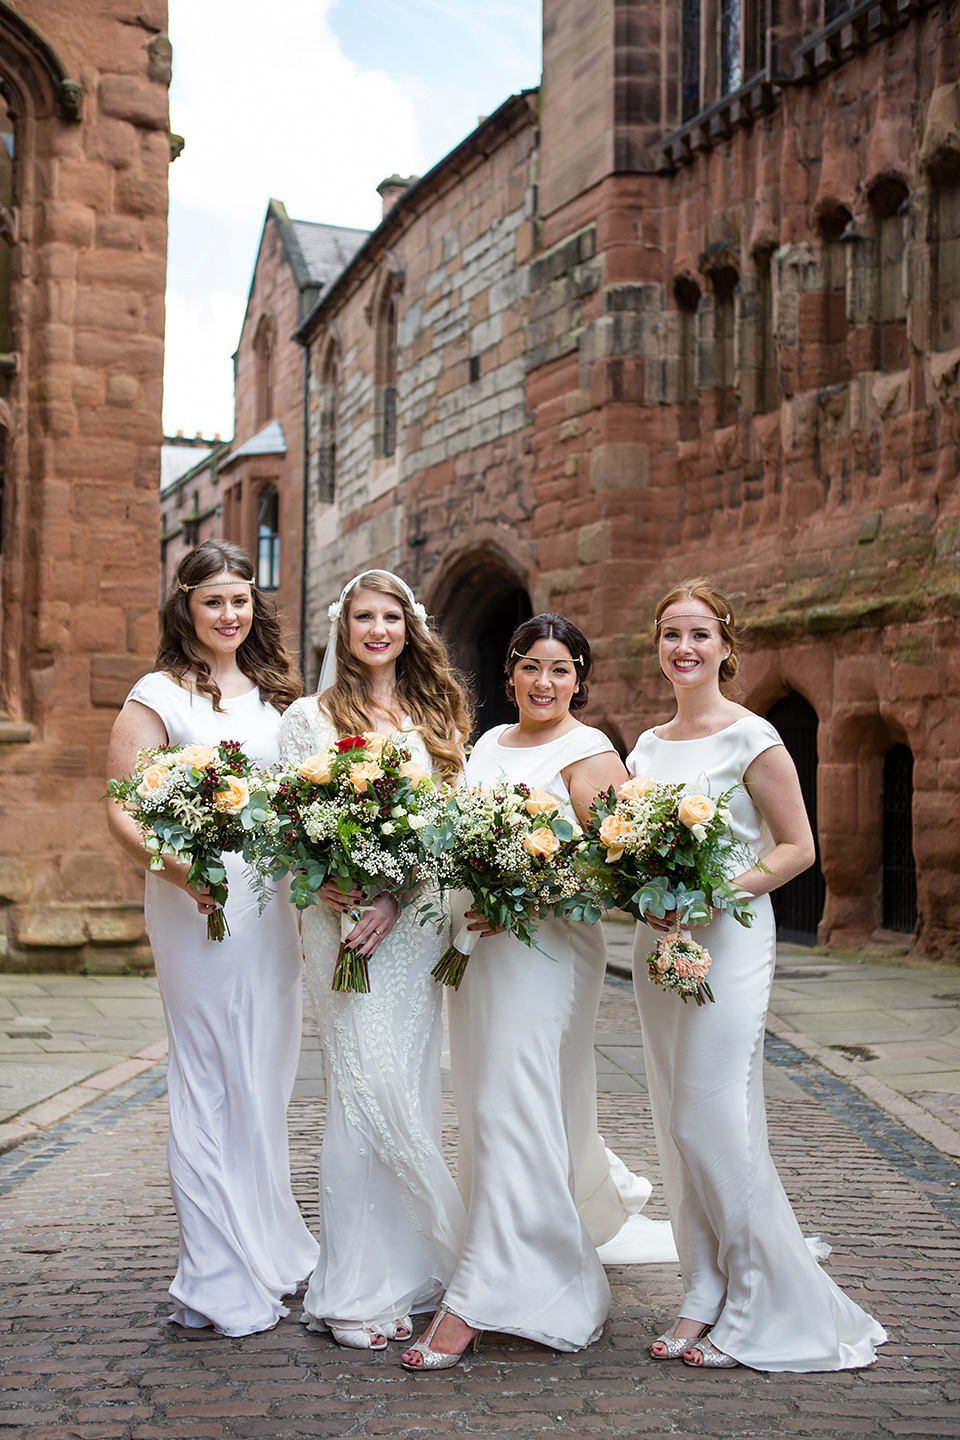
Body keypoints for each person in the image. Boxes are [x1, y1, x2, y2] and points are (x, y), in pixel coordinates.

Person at [627, 577, 887, 1371]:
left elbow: (797, 848)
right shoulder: (644, 746)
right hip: (659, 945)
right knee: (677, 1121)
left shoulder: (755, 737)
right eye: (672, 633)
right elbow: (631, 848)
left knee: (713, 1115)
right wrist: (646, 892)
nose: (685, 647)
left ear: (727, 646)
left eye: (700, 634)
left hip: (731, 940)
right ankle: (701, 1288)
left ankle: (759, 1299)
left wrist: (712, 891)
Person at [402, 613, 672, 1371]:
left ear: (580, 680)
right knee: (492, 1107)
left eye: (561, 669)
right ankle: (517, 1248)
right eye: (531, 667)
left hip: (547, 953)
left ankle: (486, 1295)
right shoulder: (488, 746)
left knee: (509, 1104)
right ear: (511, 674)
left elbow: (621, 871)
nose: (544, 682)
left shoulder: (591, 755)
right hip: (481, 953)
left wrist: (524, 891)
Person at [105, 540, 319, 1337]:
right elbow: (123, 805)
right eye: (213, 601)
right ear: (185, 607)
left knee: (263, 1070)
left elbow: (302, 796)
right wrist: (176, 869)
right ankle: (215, 1272)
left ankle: (264, 1240)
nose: (230, 614)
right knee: (207, 1073)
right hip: (194, 901)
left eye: (241, 600)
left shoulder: (275, 694)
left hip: (271, 900)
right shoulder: (156, 695)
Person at [279, 570, 472, 1350]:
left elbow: (449, 825)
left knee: (410, 1082)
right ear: (343, 627)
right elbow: (291, 822)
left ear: (410, 626)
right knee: (361, 1095)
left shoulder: (434, 715)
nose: (378, 629)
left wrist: (400, 894)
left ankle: (406, 1266)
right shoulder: (308, 717)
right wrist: (324, 879)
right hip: (344, 921)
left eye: (391, 616)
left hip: (414, 919)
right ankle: (352, 1289)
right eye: (364, 616)